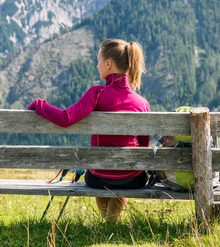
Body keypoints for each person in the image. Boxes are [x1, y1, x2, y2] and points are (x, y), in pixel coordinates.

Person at [27, 38, 150, 222]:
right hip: (133, 178)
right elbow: (143, 146)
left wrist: (39, 105)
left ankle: (109, 224)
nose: (97, 65)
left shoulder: (96, 94)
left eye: (98, 60)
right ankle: (111, 224)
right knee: (124, 170)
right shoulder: (142, 103)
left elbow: (65, 119)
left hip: (99, 178)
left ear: (108, 64)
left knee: (96, 170)